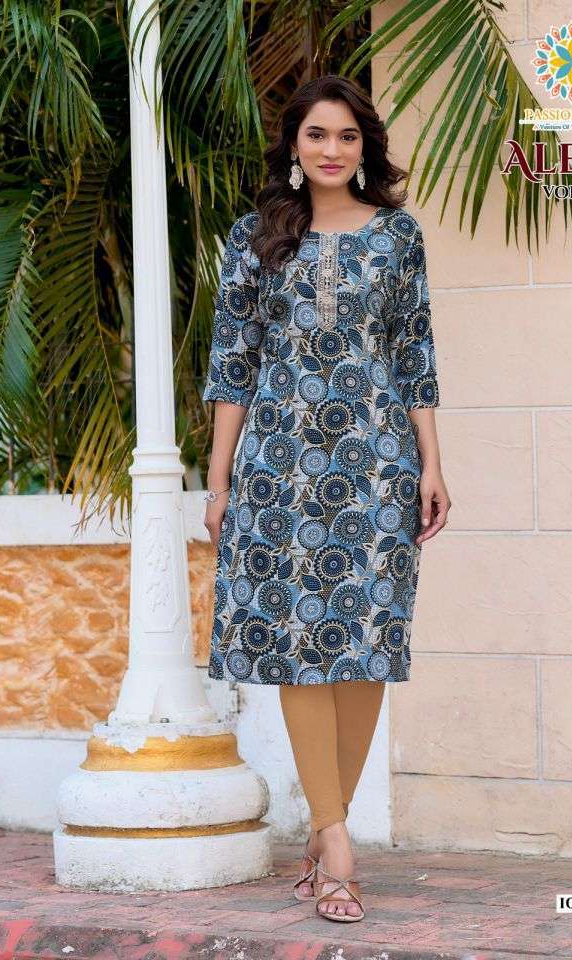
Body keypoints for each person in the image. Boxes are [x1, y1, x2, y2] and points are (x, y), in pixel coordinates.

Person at [202, 74, 450, 923]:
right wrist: (219, 479)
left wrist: (431, 464)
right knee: (300, 640)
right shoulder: (256, 237)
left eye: (347, 135)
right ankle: (337, 836)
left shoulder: (397, 235)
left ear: (364, 145)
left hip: (378, 461)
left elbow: (415, 354)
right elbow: (233, 363)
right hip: (281, 464)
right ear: (294, 145)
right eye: (317, 134)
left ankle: (322, 826)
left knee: (367, 640)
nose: (332, 149)